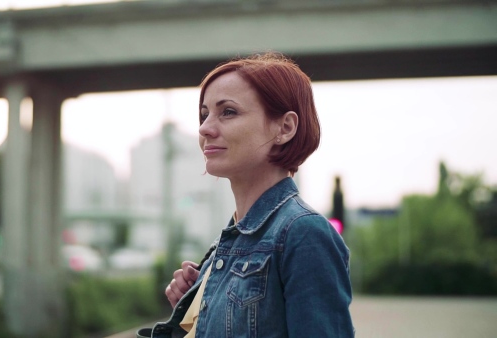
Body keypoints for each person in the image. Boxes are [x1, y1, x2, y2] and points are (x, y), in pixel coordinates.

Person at [140, 52, 354, 338]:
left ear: (285, 128)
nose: (204, 128)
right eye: (204, 114)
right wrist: (195, 308)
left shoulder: (303, 233)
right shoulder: (227, 243)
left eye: (228, 111)